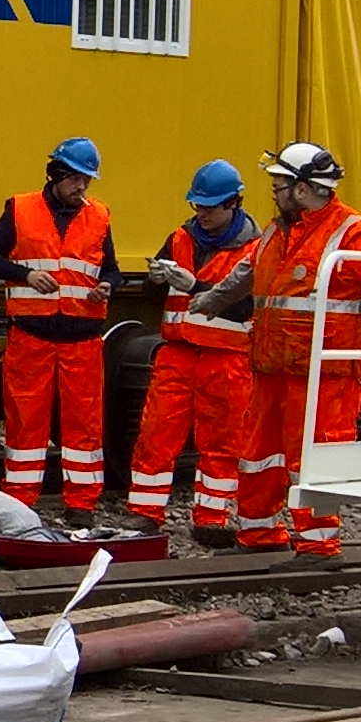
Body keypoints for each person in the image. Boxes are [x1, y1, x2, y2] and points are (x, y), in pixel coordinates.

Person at [201, 140, 361, 553]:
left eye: (279, 186)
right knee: (259, 455)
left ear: (303, 190)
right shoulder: (280, 231)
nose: (274, 194)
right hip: (275, 366)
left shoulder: (353, 234)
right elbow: (249, 269)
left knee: (310, 460)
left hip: (326, 377)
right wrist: (212, 299)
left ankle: (317, 547)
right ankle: (258, 534)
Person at [0, 136, 114, 522]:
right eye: (76, 179)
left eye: (87, 181)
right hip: (31, 335)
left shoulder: (99, 216)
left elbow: (111, 269)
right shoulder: (20, 209)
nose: (82, 188)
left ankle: (82, 506)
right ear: (56, 175)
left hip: (82, 338)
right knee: (25, 423)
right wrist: (26, 275)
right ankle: (19, 502)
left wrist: (108, 285)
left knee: (84, 426)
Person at [122, 159, 258, 545]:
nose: (202, 214)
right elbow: (155, 296)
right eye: (197, 207)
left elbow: (246, 307)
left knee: (222, 441)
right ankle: (145, 513)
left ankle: (211, 519)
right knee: (155, 433)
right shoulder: (180, 238)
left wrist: (195, 284)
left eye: (210, 208)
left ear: (233, 203)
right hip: (177, 353)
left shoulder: (254, 249)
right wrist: (154, 280)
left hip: (226, 358)